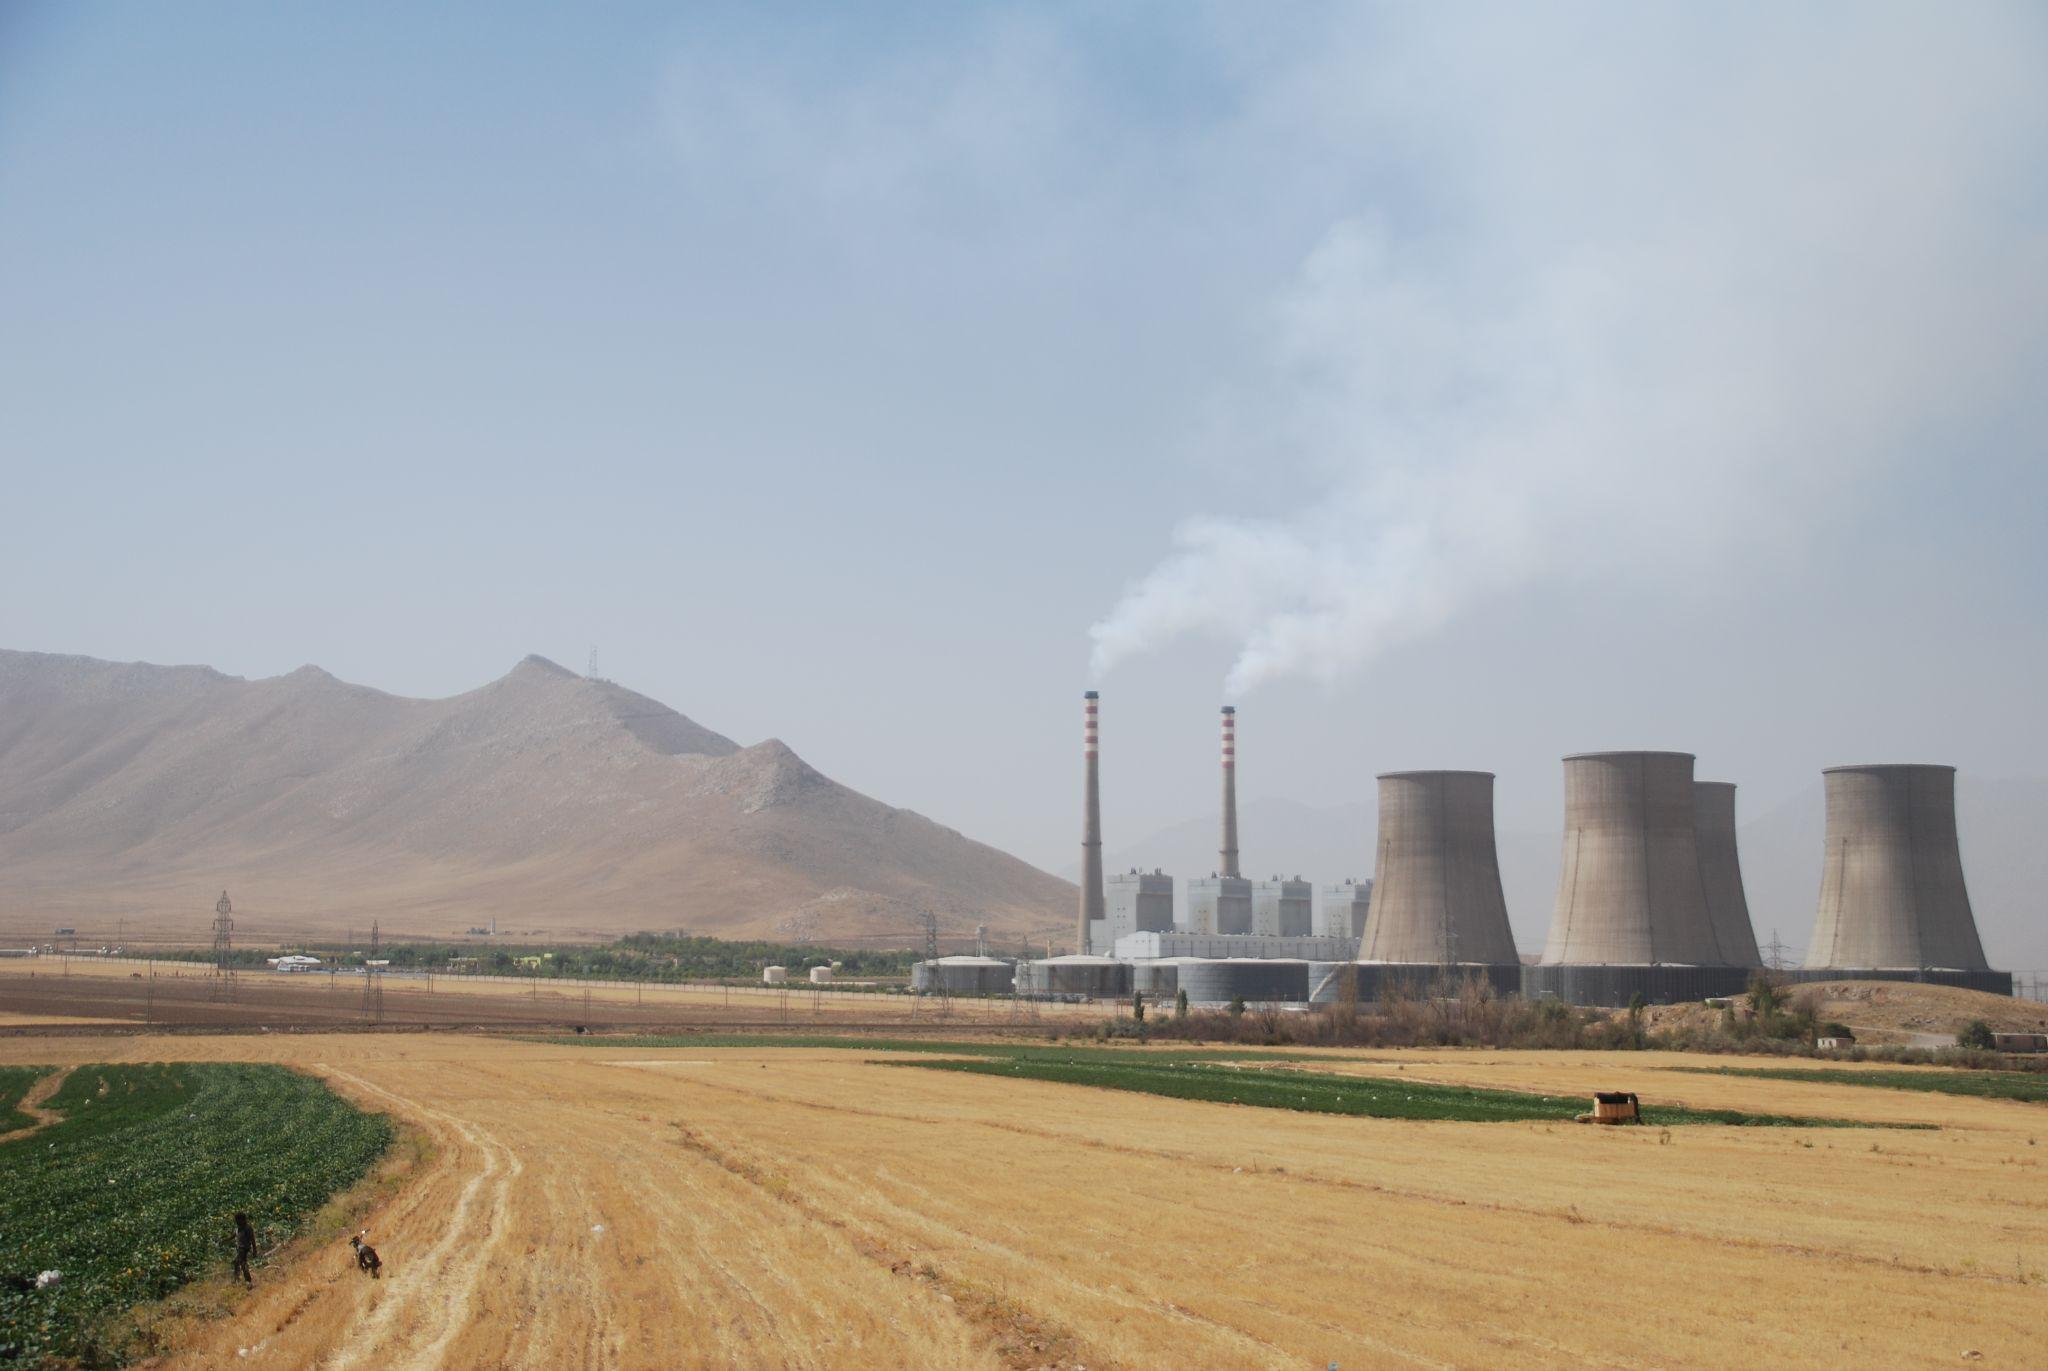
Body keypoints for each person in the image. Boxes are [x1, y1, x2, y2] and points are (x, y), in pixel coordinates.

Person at [232, 1213, 255, 1286]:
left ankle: (245, 1280)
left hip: (244, 1248)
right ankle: (240, 1279)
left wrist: (254, 1249)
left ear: (243, 1220)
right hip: (239, 1249)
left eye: (238, 1220)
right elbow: (233, 1236)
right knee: (239, 1263)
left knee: (240, 1262)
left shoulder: (247, 1228)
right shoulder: (238, 1229)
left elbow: (252, 1239)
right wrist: (224, 1240)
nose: (237, 1222)